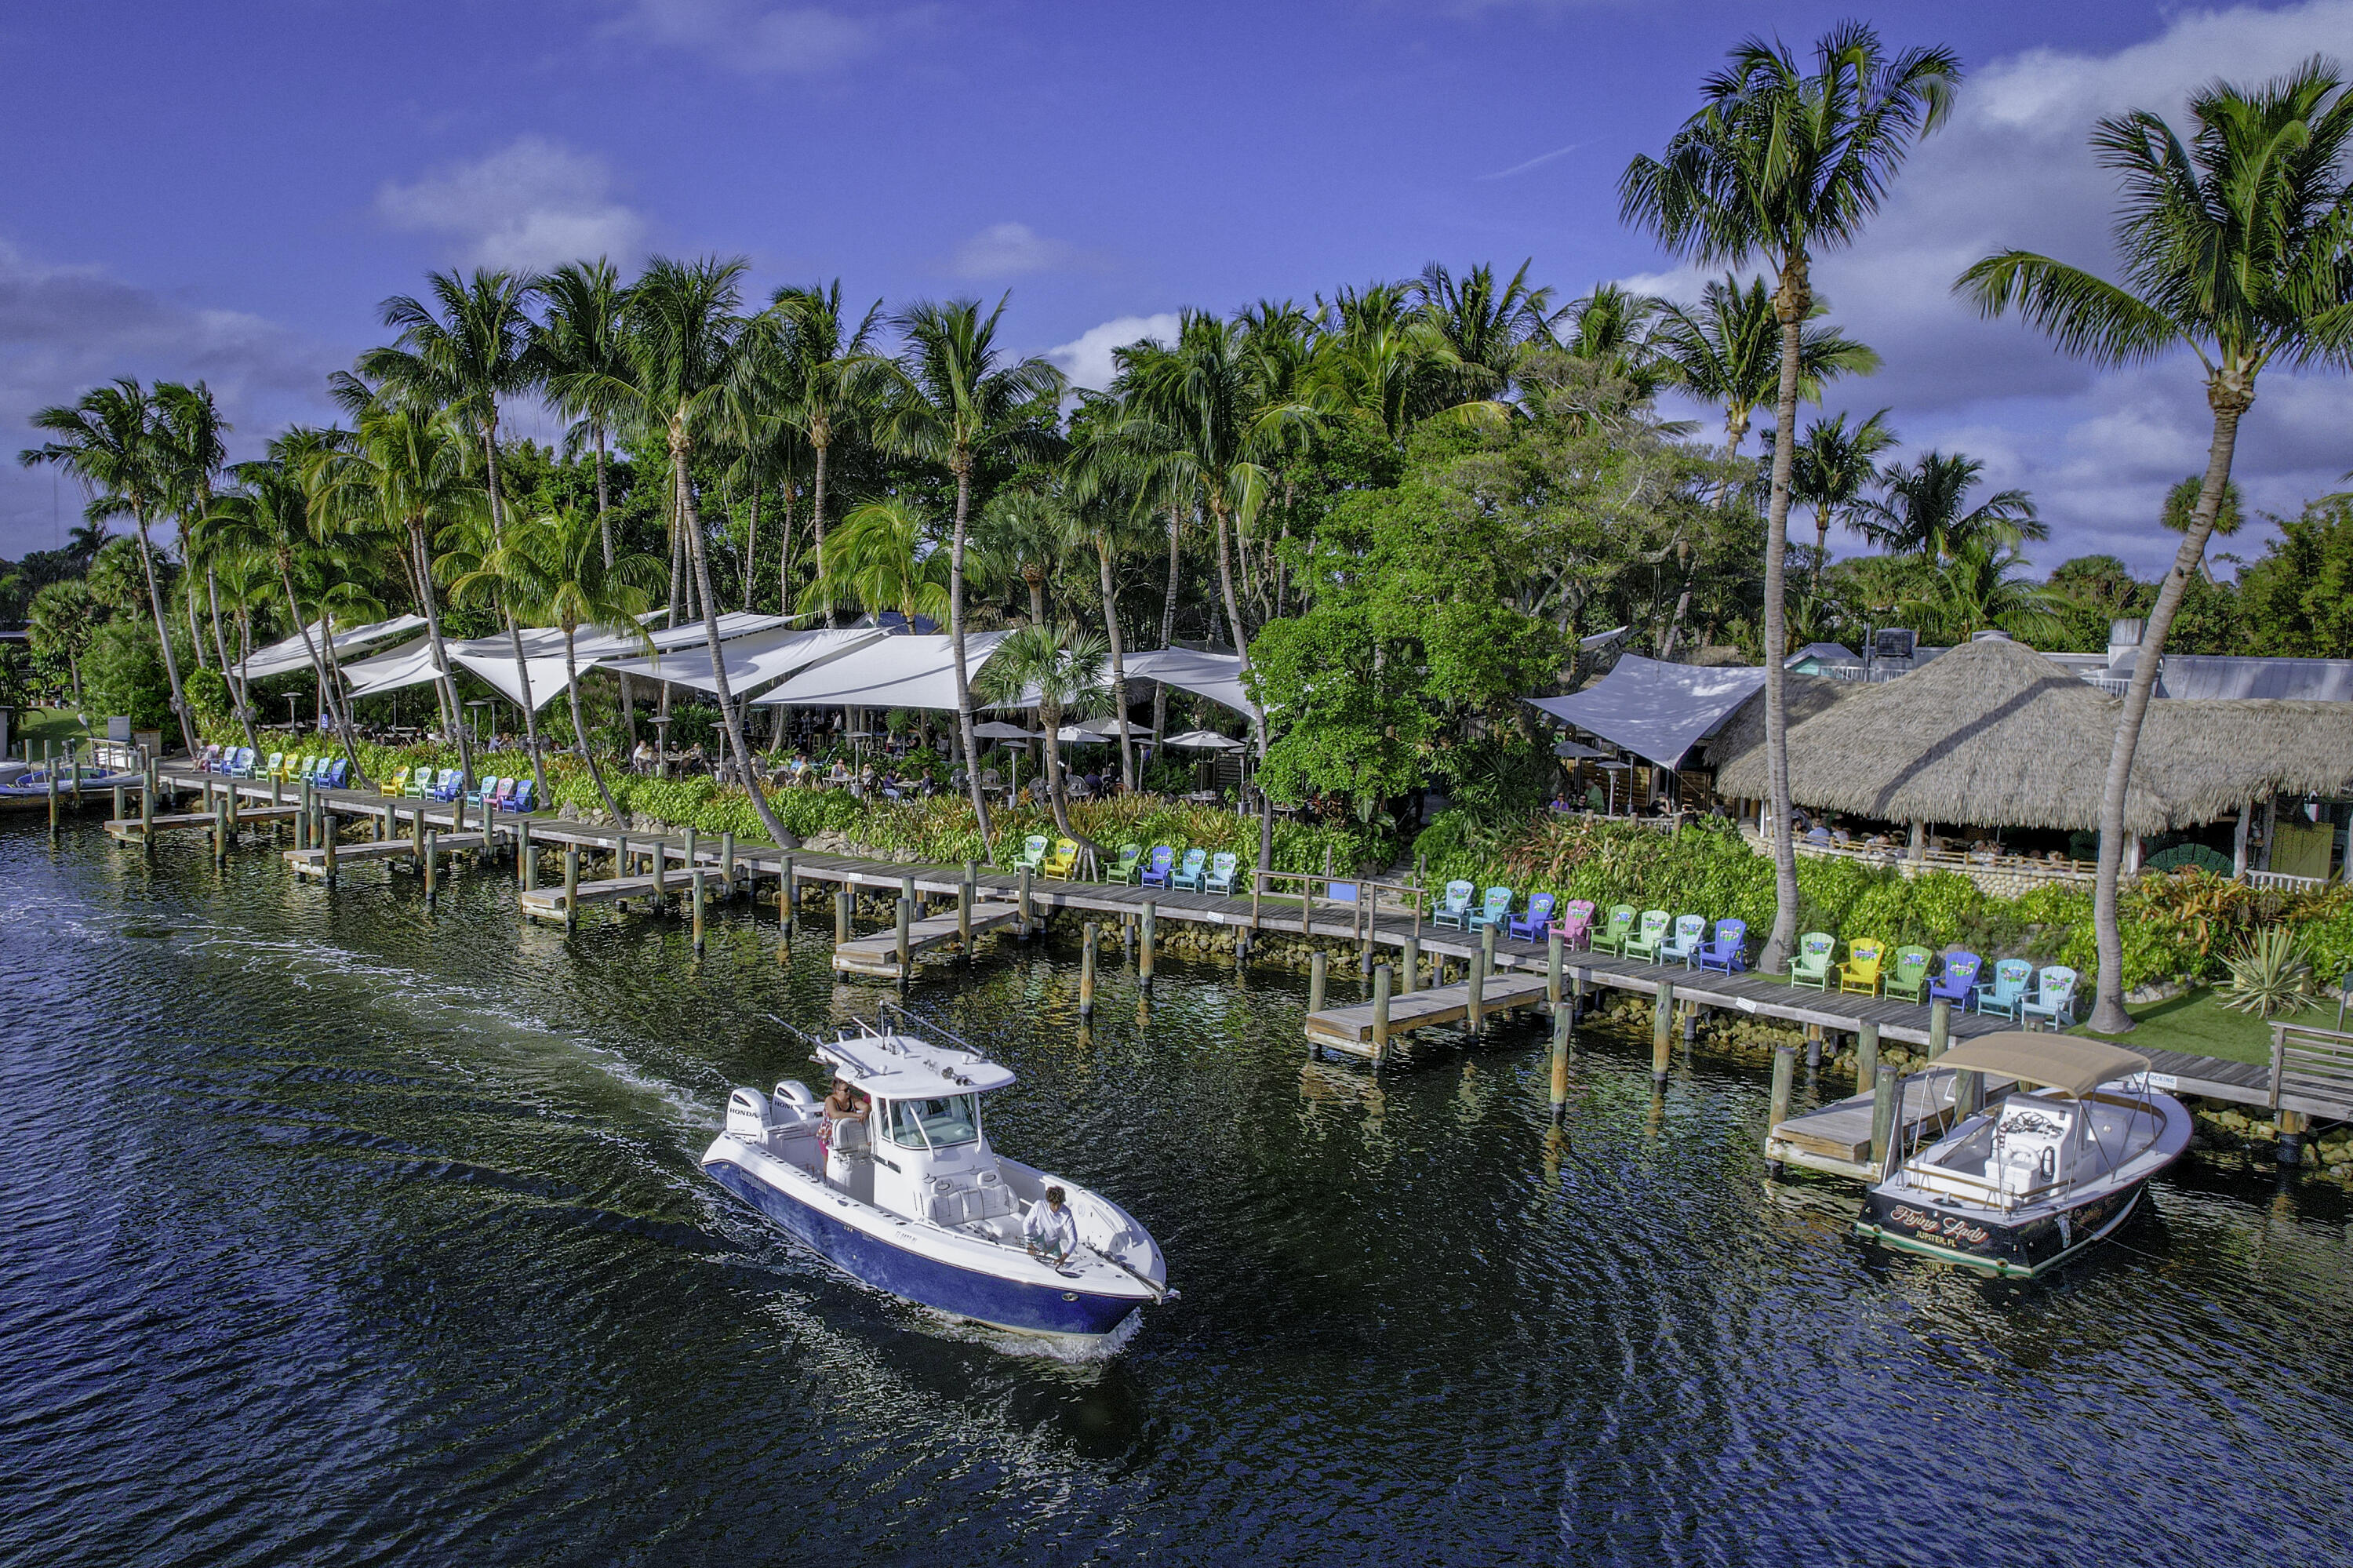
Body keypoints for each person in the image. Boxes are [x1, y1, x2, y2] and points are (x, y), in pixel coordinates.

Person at [1024, 1184, 1077, 1264]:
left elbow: (1073, 1239)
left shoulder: (1066, 1213)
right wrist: (1029, 1244)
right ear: (1049, 1201)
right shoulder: (1039, 1205)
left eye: (1059, 1204)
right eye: (1054, 1204)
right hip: (1034, 1244)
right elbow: (1027, 1223)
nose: (1056, 1207)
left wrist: (1064, 1256)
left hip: (1053, 1246)